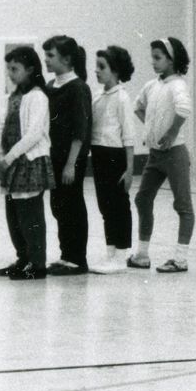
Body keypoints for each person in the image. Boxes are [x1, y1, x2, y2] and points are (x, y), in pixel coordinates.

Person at [131, 37, 195, 272]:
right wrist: (152, 129)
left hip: (175, 154)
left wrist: (171, 132)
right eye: (153, 57)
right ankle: (142, 255)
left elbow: (184, 109)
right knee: (142, 199)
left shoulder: (178, 85)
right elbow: (138, 106)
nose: (153, 62)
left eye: (158, 57)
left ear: (172, 59)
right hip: (155, 155)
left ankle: (180, 259)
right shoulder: (152, 85)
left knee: (183, 205)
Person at [0, 46, 53, 281]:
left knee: (30, 215)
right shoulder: (12, 96)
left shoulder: (38, 96)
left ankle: (37, 264)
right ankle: (23, 258)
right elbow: (3, 125)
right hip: (12, 161)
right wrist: (0, 152)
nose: (10, 73)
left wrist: (10, 156)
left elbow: (34, 134)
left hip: (29, 160)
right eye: (8, 69)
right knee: (14, 213)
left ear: (30, 69)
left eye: (15, 69)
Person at [86, 45, 141, 274]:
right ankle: (110, 253)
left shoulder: (122, 98)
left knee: (118, 206)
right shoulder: (98, 96)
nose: (96, 71)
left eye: (102, 67)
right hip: (99, 154)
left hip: (115, 156)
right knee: (105, 205)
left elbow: (128, 135)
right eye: (96, 66)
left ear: (116, 70)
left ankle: (121, 254)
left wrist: (129, 168)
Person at [42, 36, 92, 275]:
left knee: (72, 205)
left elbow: (80, 130)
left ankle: (77, 259)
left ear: (67, 59)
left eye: (51, 55)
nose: (46, 60)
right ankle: (66, 255)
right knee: (58, 206)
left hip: (71, 157)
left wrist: (71, 163)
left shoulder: (78, 88)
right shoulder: (51, 86)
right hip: (54, 156)